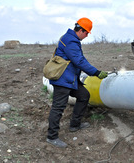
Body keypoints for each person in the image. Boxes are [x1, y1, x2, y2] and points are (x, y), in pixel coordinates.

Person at [46, 17, 108, 148]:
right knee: (58, 108)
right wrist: (96, 72)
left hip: (71, 79)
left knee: (83, 95)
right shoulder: (71, 41)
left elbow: (79, 60)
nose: (86, 36)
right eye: (86, 33)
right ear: (81, 30)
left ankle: (75, 124)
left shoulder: (71, 39)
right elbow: (79, 61)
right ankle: (52, 137)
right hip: (63, 80)